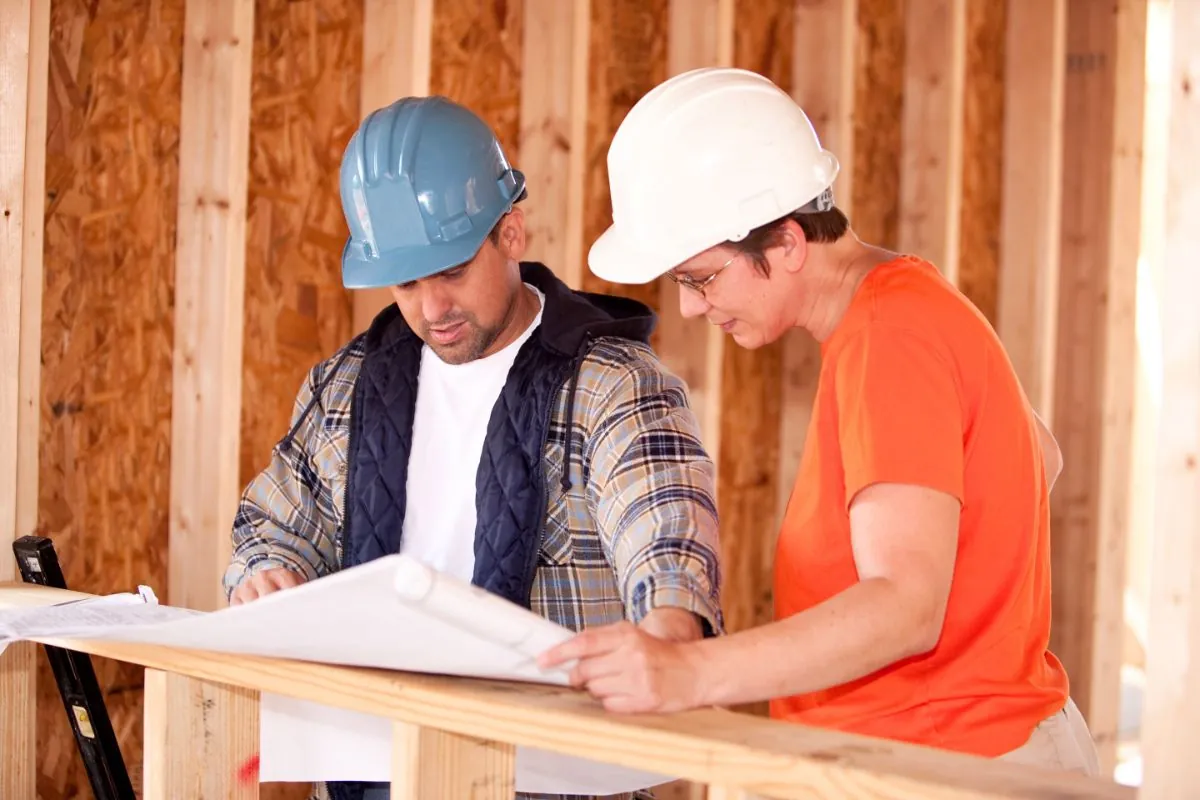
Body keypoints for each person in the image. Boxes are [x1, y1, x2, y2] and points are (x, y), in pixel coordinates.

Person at [538, 66, 1100, 777]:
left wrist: (691, 673)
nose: (690, 308)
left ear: (788, 244)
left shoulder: (889, 335)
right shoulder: (909, 305)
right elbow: (1036, 458)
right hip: (965, 748)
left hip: (949, 765)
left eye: (701, 278)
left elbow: (904, 607)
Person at [222, 95, 724, 800]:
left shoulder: (612, 384)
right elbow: (270, 527)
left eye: (452, 272)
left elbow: (664, 528)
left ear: (510, 233)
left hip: (549, 780)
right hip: (371, 772)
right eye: (406, 282)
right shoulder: (350, 385)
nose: (432, 309)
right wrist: (264, 573)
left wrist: (670, 632)